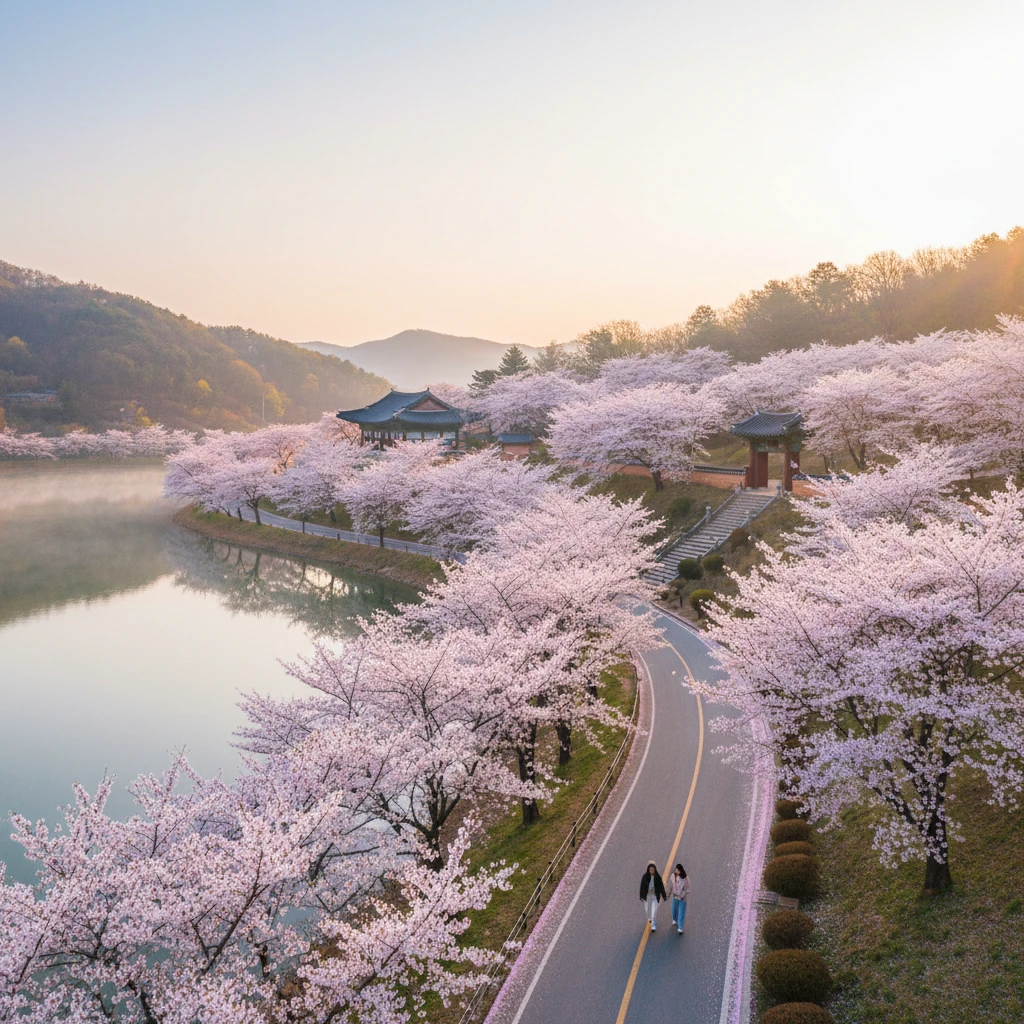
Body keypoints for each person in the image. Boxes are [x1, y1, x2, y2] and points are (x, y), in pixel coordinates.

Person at [639, 861, 666, 931]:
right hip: (647, 896)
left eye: (652, 869)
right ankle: (650, 917)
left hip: (654, 896)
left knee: (654, 911)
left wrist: (664, 895)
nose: (651, 871)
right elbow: (642, 887)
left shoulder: (657, 877)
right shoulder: (645, 877)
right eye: (650, 869)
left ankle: (653, 924)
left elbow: (661, 887)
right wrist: (641, 896)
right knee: (647, 910)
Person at [670, 864, 690, 934]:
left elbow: (687, 889)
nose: (676, 872)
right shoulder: (673, 876)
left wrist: (682, 895)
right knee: (674, 909)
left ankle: (680, 927)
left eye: (678, 870)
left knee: (681, 912)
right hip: (675, 896)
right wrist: (667, 894)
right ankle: (675, 919)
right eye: (676, 870)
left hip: (682, 898)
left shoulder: (685, 878)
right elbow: (670, 886)